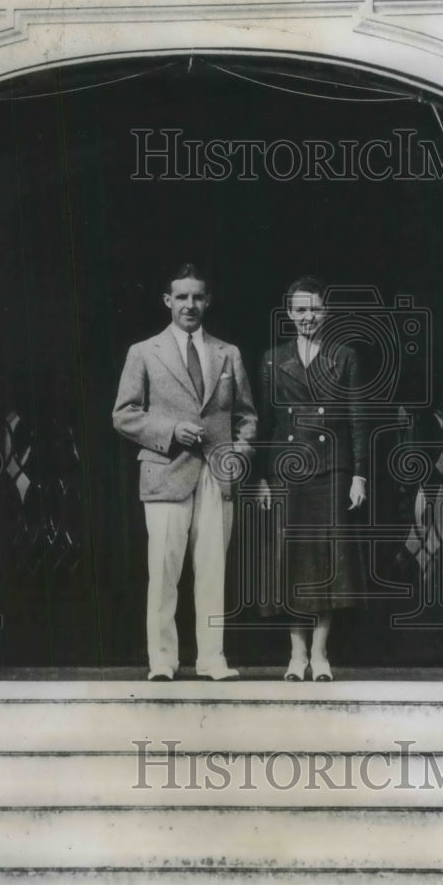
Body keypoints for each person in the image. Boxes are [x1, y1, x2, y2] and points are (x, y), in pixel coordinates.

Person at [113, 263, 257, 680]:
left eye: (197, 297)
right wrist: (171, 430)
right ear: (167, 301)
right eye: (182, 297)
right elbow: (123, 415)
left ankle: (212, 658)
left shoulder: (228, 353)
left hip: (217, 474)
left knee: (213, 569)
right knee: (163, 571)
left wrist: (239, 453)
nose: (189, 305)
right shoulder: (144, 352)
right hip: (166, 472)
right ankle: (162, 659)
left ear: (207, 300)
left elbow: (247, 415)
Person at [257, 276, 368, 681]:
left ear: (326, 312)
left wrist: (360, 475)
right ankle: (295, 655)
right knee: (291, 561)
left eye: (315, 309)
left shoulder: (345, 355)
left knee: (326, 563)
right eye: (300, 310)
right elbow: (267, 424)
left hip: (330, 470)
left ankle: (320, 655)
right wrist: (265, 477)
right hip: (288, 471)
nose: (308, 316)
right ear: (289, 313)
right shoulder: (272, 358)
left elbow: (358, 419)